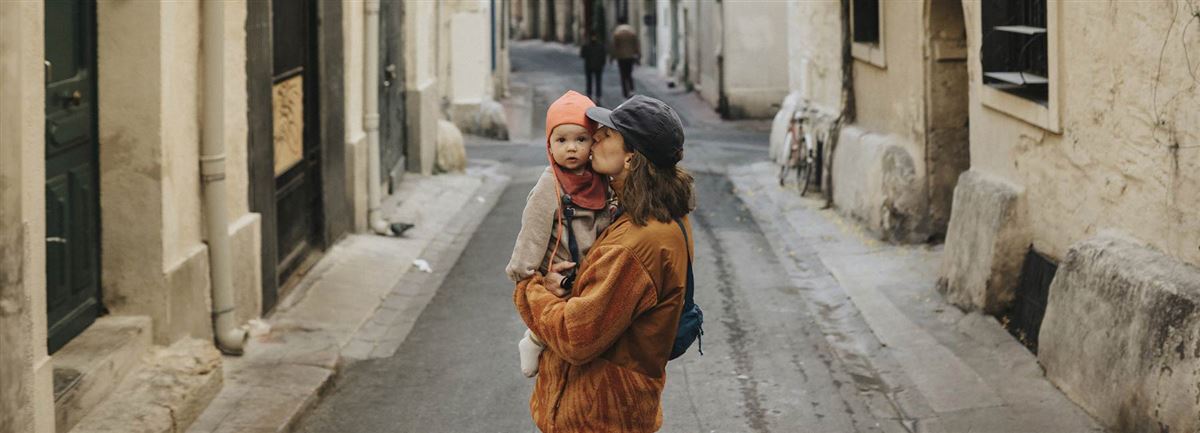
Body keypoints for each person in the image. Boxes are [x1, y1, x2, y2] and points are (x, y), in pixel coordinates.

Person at [513, 95, 694, 432]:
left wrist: (531, 290)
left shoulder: (638, 243)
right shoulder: (654, 213)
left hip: (599, 416)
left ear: (631, 157)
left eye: (607, 134)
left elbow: (576, 336)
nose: (593, 137)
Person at [505, 90, 614, 378]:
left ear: (594, 141)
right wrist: (527, 274)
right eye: (561, 140)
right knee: (560, 321)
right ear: (549, 145)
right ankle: (533, 340)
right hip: (562, 264)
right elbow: (532, 231)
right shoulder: (549, 185)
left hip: (590, 267)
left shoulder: (600, 179)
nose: (572, 148)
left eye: (581, 139)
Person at [611, 22, 640, 98]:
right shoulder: (631, 32)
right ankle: (631, 89)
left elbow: (615, 46)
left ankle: (625, 92)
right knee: (629, 74)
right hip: (630, 56)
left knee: (623, 75)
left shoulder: (617, 33)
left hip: (621, 57)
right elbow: (636, 44)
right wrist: (637, 54)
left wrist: (612, 56)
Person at [580, 34, 607, 102]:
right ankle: (598, 96)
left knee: (589, 82)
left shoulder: (587, 45)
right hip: (598, 66)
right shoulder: (600, 45)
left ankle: (589, 95)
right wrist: (602, 63)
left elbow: (582, 55)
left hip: (589, 66)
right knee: (598, 81)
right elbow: (603, 56)